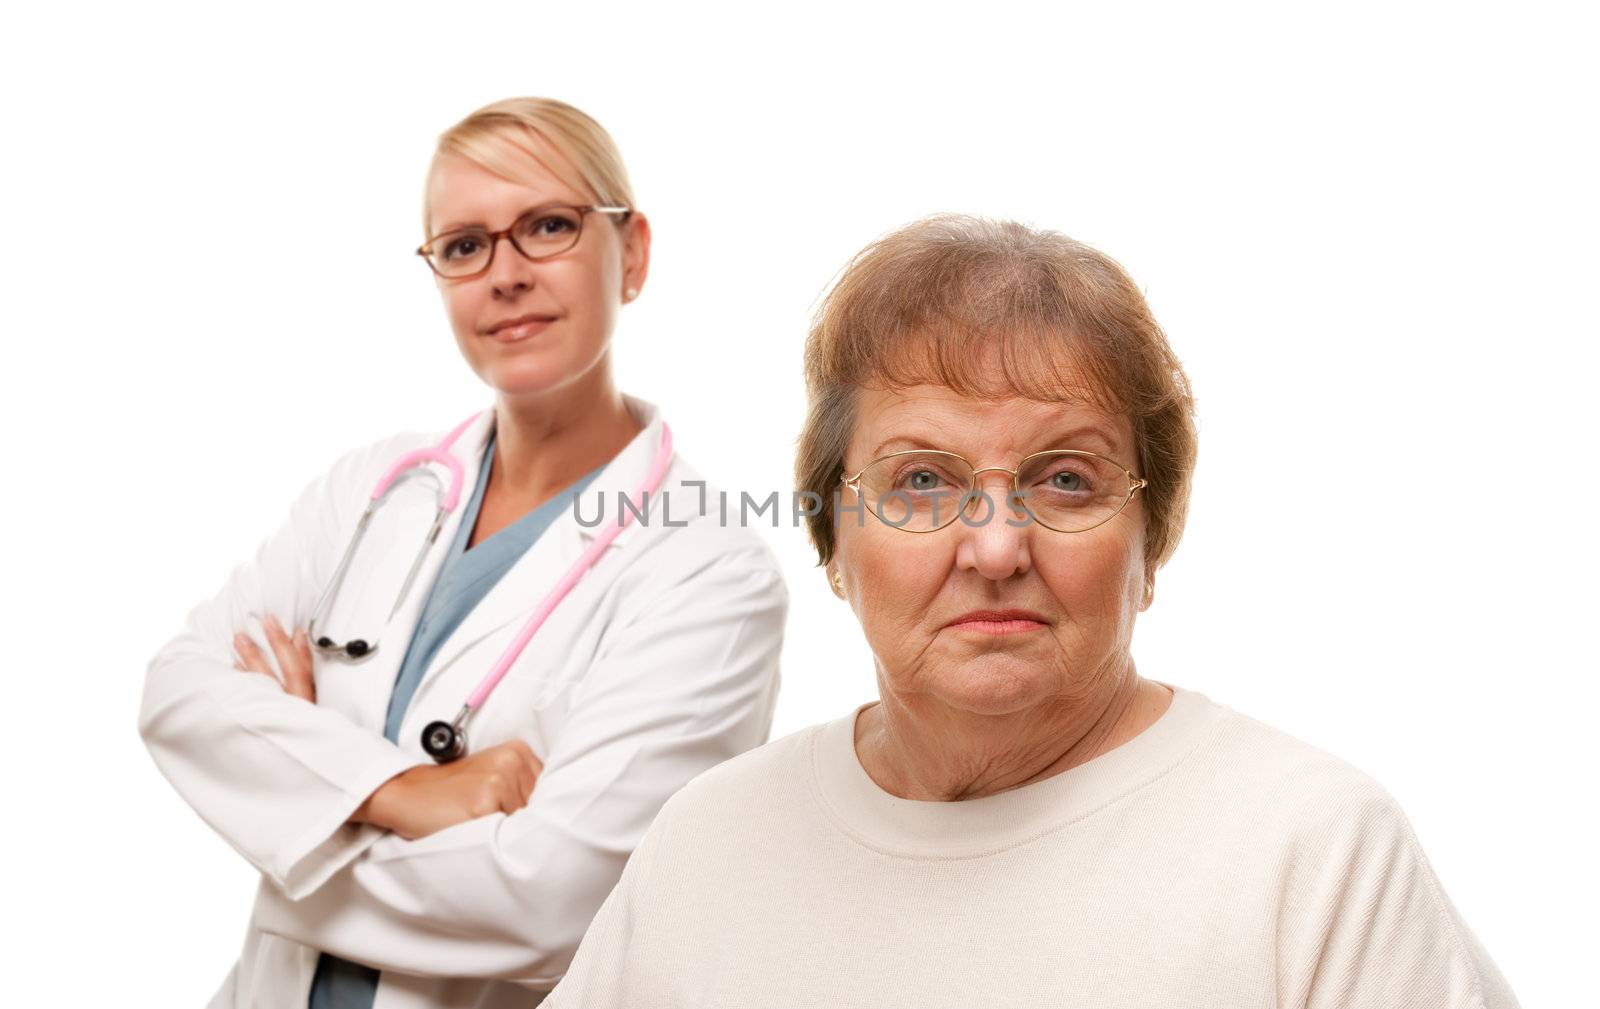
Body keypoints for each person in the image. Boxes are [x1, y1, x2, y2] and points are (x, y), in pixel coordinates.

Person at [544, 214, 1521, 1007]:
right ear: (834, 539)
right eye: (923, 479)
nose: (998, 547)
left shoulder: (1307, 850)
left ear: (1154, 534)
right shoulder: (712, 841)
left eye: (1064, 479)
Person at [138, 97, 788, 1008]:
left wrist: (291, 816)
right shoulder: (374, 489)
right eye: (464, 245)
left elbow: (551, 899)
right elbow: (178, 693)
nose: (505, 274)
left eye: (548, 227)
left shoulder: (708, 571)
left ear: (631, 252)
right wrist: (403, 790)